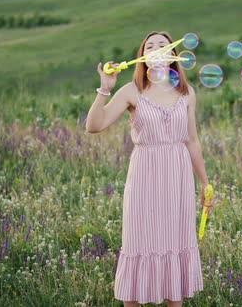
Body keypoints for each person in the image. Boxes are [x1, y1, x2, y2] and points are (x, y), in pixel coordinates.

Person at [85, 31, 212, 307]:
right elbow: (94, 126)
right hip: (145, 175)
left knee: (175, 242)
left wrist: (204, 183)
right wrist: (104, 87)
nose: (156, 49)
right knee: (140, 243)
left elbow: (192, 140)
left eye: (163, 45)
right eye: (150, 45)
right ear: (142, 56)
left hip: (177, 176)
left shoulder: (186, 93)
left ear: (173, 55)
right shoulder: (131, 91)